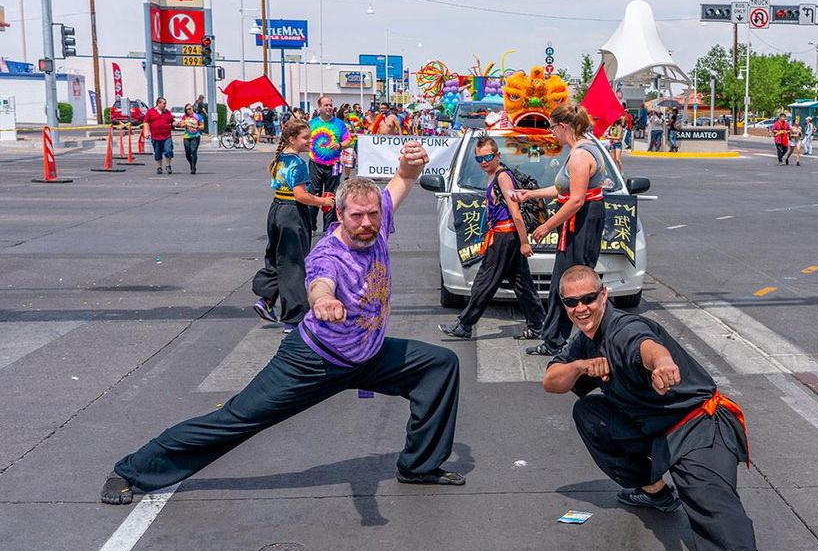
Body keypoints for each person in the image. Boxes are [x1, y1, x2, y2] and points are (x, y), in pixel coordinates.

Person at [100, 140, 466, 507]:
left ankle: (419, 465)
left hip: (367, 356)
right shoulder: (329, 253)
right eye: (357, 216)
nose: (367, 223)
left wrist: (409, 163)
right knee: (236, 419)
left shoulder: (378, 221)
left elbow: (403, 179)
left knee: (439, 366)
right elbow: (319, 283)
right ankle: (130, 470)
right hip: (314, 361)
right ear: (339, 215)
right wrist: (323, 301)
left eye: (372, 214)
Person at [543, 265, 775, 551]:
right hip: (652, 426)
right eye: (572, 302)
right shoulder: (584, 338)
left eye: (588, 298)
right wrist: (582, 366)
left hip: (697, 423)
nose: (581, 308)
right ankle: (655, 492)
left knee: (708, 498)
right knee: (591, 412)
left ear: (603, 296)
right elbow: (551, 381)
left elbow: (647, 346)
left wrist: (663, 363)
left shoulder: (622, 329)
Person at [516, 103, 606, 357]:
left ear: (563, 126)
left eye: (552, 127)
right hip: (581, 220)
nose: (552, 132)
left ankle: (576, 341)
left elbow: (576, 200)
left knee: (574, 285)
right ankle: (555, 339)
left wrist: (547, 225)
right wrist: (531, 194)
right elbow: (562, 190)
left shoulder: (580, 155)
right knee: (564, 282)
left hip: (583, 222)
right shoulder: (583, 148)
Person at [439, 135, 545, 340]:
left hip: (506, 236)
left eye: (487, 157)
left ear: (497, 155)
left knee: (485, 280)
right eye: (479, 159)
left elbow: (515, 212)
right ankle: (538, 324)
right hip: (504, 235)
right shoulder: (494, 175)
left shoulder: (502, 177)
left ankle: (465, 324)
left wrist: (524, 242)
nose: (484, 162)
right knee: (522, 283)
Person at [252, 118, 334, 333]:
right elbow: (300, 195)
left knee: (276, 257)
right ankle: (294, 318)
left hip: (276, 209)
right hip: (292, 212)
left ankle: (267, 298)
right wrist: (322, 201)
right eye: (305, 138)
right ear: (292, 139)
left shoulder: (280, 158)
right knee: (295, 264)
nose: (309, 142)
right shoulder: (297, 163)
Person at [308, 95, 353, 233]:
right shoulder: (312, 124)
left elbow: (348, 141)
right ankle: (311, 226)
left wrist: (339, 145)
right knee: (314, 194)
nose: (329, 107)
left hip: (333, 165)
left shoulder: (339, 124)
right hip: (316, 163)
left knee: (330, 196)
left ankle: (328, 228)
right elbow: (303, 139)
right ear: (319, 107)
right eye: (326, 105)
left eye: (330, 105)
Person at [142, 97, 174, 175]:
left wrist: (175, 123)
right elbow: (146, 122)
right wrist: (146, 132)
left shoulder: (167, 112)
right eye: (164, 104)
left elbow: (172, 121)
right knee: (158, 153)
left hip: (167, 136)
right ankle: (159, 167)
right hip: (156, 137)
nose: (165, 105)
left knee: (169, 150)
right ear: (159, 104)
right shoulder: (151, 112)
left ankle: (168, 165)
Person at [179, 103, 203, 175]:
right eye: (186, 110)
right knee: (188, 153)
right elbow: (181, 125)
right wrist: (186, 123)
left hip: (195, 136)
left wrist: (196, 126)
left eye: (189, 109)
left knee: (193, 151)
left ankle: (193, 167)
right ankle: (191, 163)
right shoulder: (184, 117)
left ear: (192, 109)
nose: (188, 110)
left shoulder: (198, 116)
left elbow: (202, 126)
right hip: (187, 136)